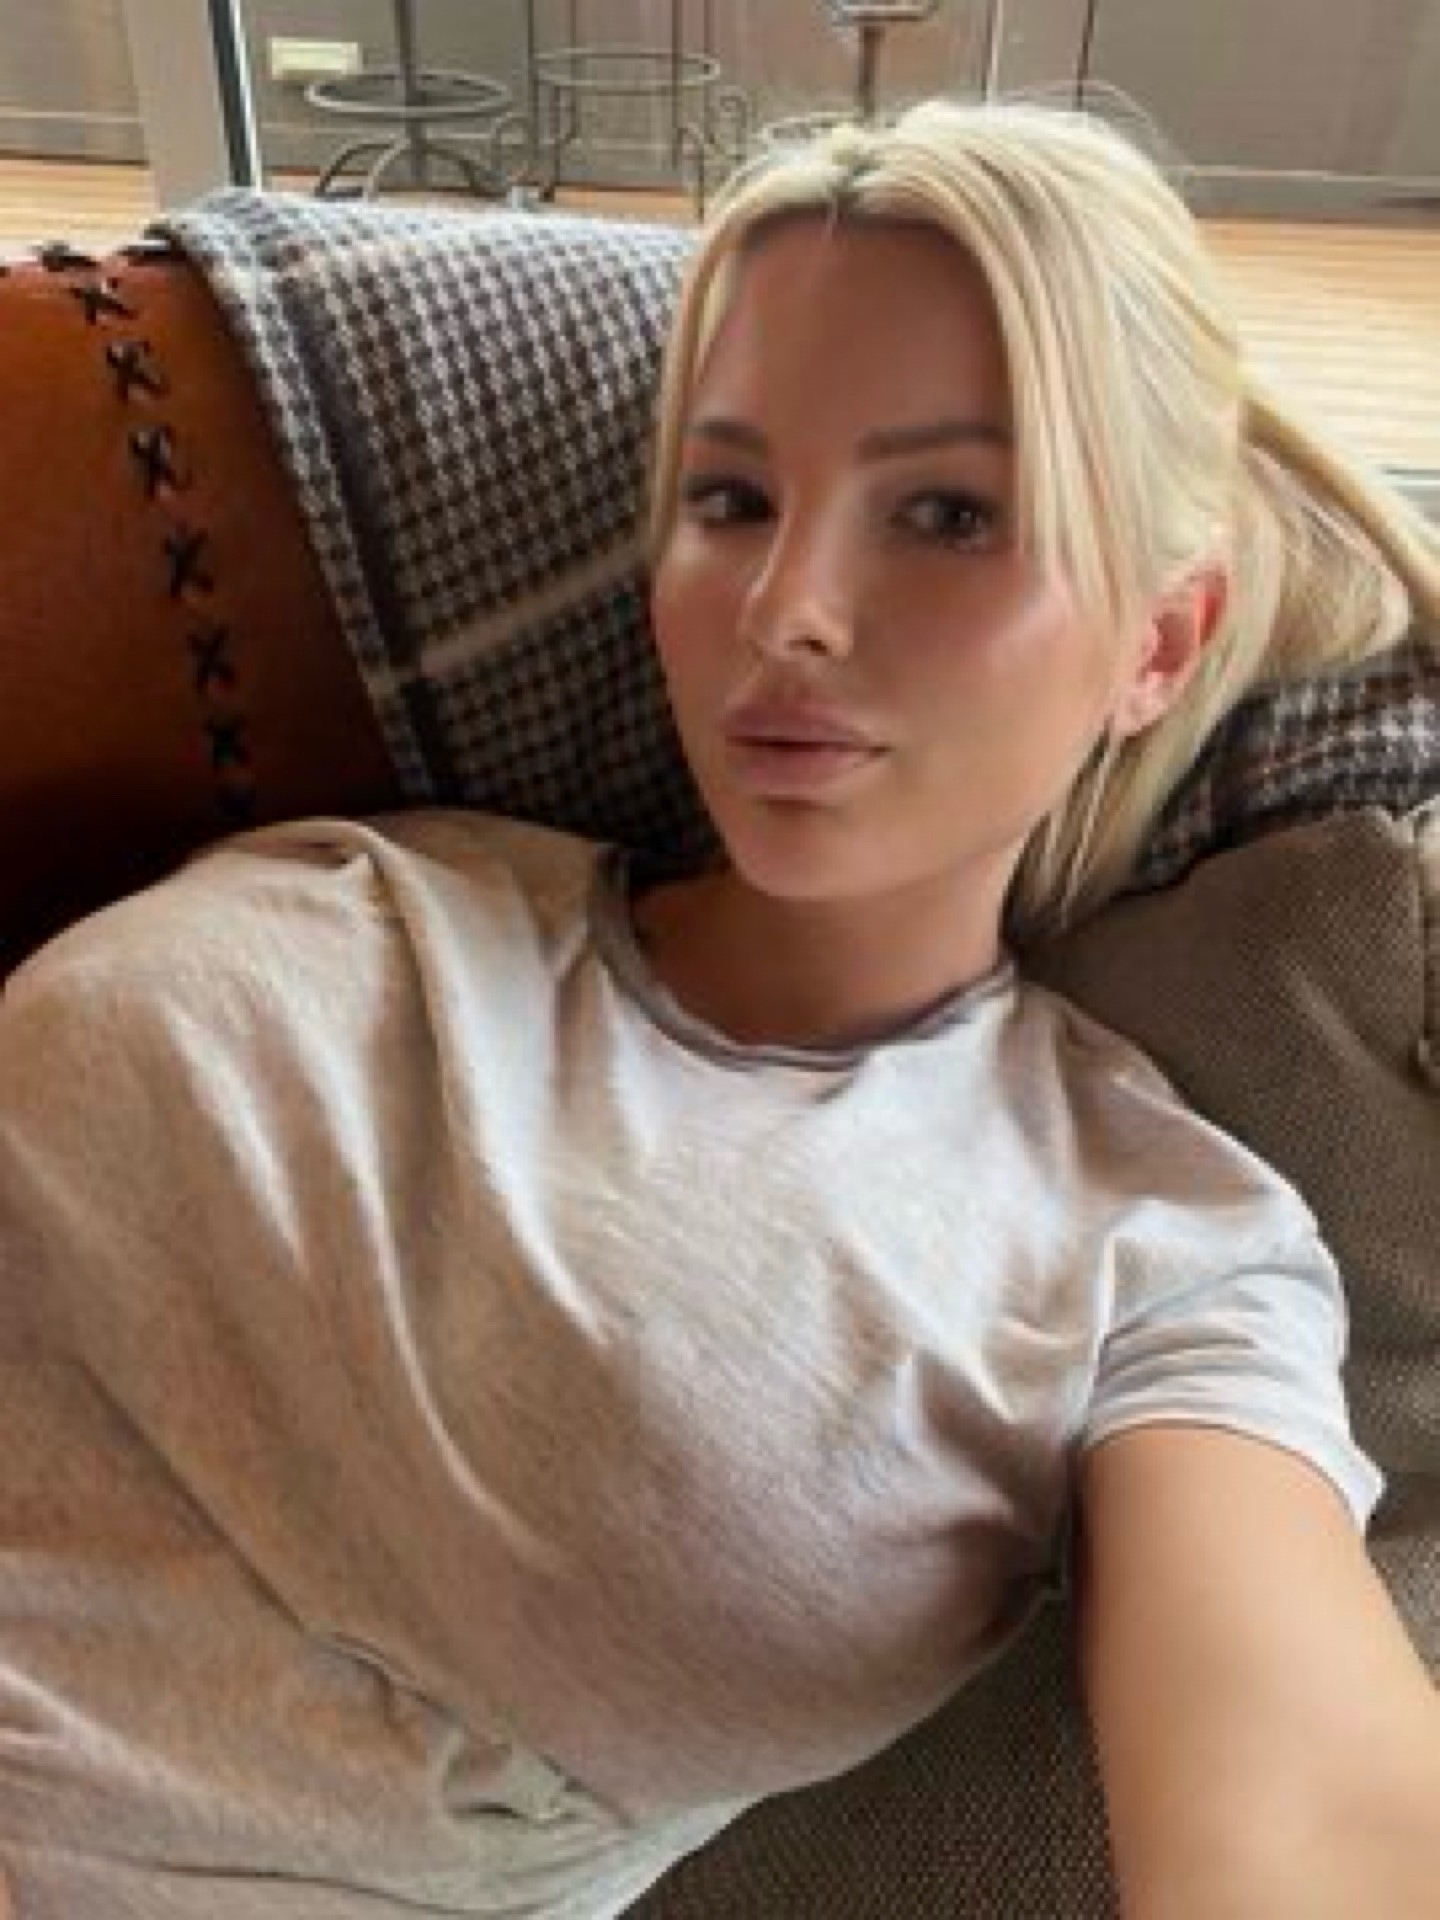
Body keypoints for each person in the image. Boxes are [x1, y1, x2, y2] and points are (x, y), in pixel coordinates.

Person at [1, 97, 1438, 1920]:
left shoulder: (1153, 1257)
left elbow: (1310, 1818)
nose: (787, 610)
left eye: (948, 514)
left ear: (1156, 644)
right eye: (732, 501)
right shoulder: (362, 894)